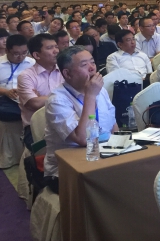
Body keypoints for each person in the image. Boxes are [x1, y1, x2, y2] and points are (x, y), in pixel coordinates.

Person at [44, 46, 118, 188]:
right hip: (68, 170)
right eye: (84, 65)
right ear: (67, 73)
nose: (92, 68)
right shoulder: (57, 100)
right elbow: (83, 139)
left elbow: (113, 126)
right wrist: (90, 95)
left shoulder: (100, 91)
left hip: (104, 157)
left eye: (93, 62)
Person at [17, 34, 63, 150]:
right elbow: (35, 103)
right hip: (36, 127)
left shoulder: (65, 71)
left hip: (64, 120)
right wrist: (65, 95)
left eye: (56, 47)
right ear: (36, 55)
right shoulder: (26, 76)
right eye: (49, 48)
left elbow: (78, 94)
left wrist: (43, 97)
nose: (56, 51)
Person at [0, 35, 36, 122]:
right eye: (16, 54)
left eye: (24, 53)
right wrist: (6, 92)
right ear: (6, 51)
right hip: (2, 100)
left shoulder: (32, 63)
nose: (21, 57)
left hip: (26, 99)